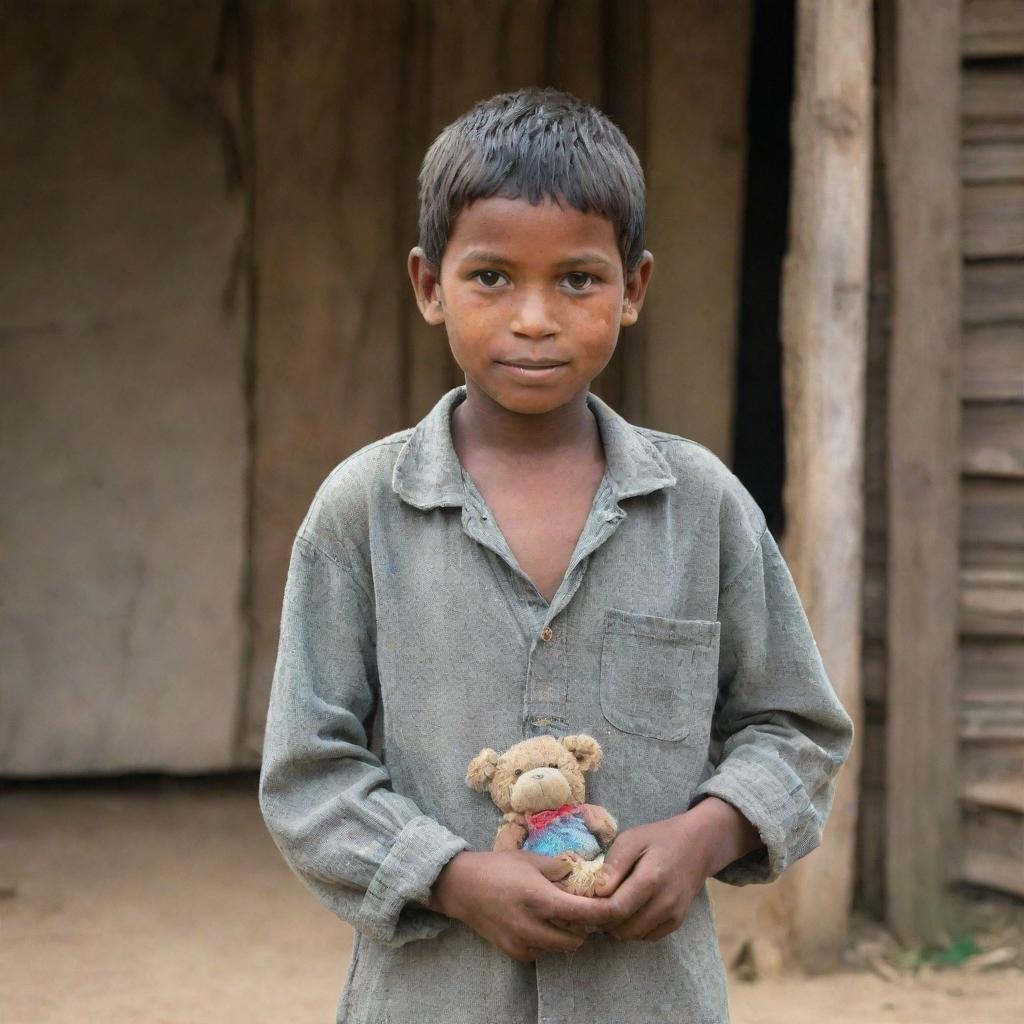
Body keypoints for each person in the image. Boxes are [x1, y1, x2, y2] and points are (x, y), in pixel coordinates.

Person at [259, 87, 853, 1024]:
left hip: (651, 996)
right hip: (429, 998)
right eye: (491, 277)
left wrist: (706, 832)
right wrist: (449, 877)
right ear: (427, 286)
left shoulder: (700, 507)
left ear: (634, 290)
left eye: (578, 280)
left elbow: (798, 729)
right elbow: (308, 773)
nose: (534, 317)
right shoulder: (359, 514)